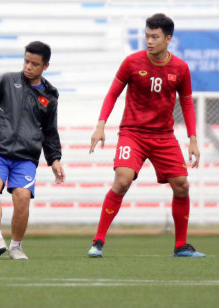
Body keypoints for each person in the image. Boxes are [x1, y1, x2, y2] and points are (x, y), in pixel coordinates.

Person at [88, 13, 205, 258]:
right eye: (146, 36)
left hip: (164, 136)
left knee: (182, 185)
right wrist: (100, 126)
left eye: (155, 37)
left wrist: (193, 140)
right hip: (133, 133)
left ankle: (181, 245)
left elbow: (186, 104)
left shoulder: (181, 68)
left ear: (168, 39)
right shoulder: (131, 62)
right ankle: (98, 241)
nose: (149, 41)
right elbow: (112, 94)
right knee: (122, 181)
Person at [0, 41, 65, 260]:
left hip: (26, 156)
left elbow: (50, 131)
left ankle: (15, 246)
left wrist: (55, 159)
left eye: (34, 63)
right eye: (26, 61)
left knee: (22, 198)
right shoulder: (7, 80)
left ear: (45, 66)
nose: (28, 67)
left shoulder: (50, 95)